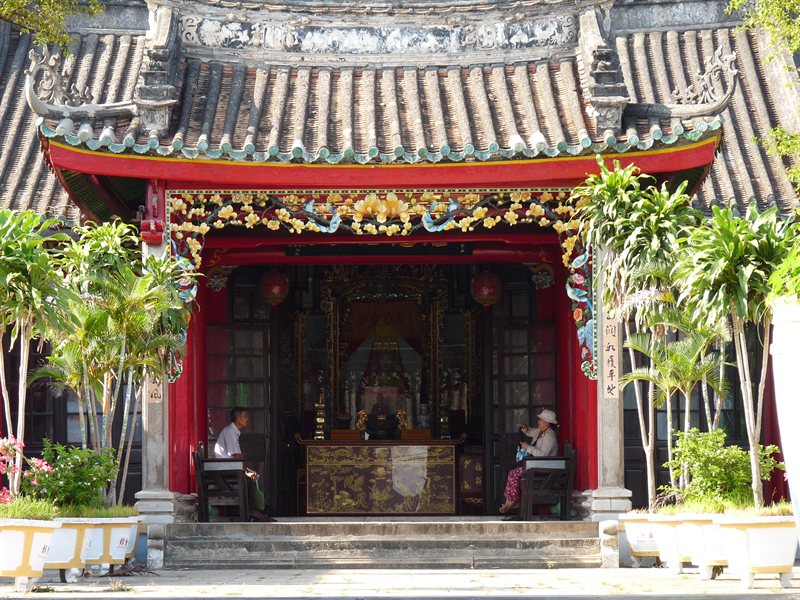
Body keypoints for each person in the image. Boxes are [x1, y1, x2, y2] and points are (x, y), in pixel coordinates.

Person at [213, 407, 275, 522]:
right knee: (249, 478)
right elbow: (237, 456)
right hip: (225, 470)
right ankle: (252, 511)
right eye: (245, 416)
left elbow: (237, 459)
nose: (248, 419)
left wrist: (247, 470)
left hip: (230, 467)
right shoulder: (230, 431)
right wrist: (247, 471)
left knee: (252, 476)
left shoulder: (234, 432)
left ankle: (253, 510)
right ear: (237, 418)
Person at [499, 409, 558, 515]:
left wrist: (528, 448)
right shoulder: (542, 432)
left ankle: (512, 502)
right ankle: (510, 501)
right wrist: (525, 428)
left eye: (540, 420)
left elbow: (543, 455)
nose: (538, 422)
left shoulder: (549, 436)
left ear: (547, 423)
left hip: (544, 468)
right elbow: (531, 431)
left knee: (513, 473)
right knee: (512, 471)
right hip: (537, 465)